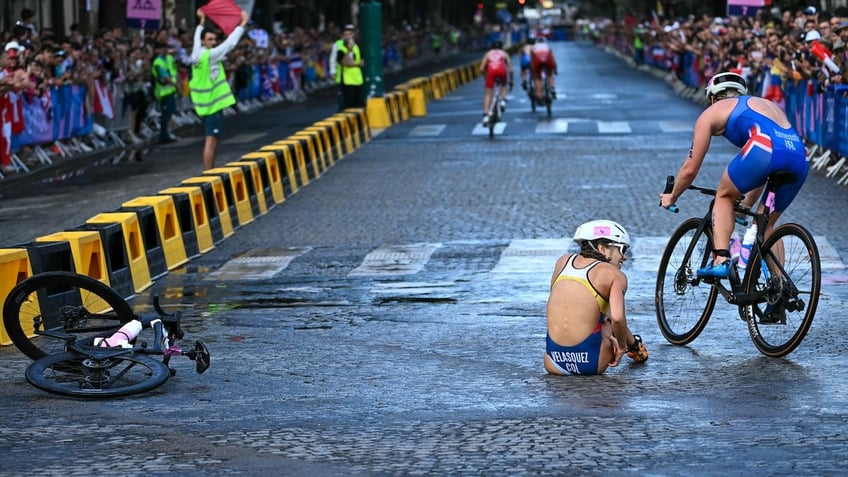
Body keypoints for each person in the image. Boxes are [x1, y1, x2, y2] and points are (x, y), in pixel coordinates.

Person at [660, 72, 809, 279]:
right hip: (799, 155)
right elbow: (765, 172)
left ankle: (721, 259)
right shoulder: (760, 103)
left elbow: (690, 169)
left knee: (723, 196)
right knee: (766, 225)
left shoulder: (710, 113)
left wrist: (672, 196)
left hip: (764, 148)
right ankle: (779, 290)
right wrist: (745, 207)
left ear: (712, 98)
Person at [544, 220, 648, 376]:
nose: (624, 257)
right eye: (622, 249)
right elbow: (617, 319)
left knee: (596, 313)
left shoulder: (562, 261)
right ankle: (634, 347)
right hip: (591, 364)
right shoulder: (614, 275)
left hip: (552, 363)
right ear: (603, 248)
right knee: (607, 322)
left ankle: (634, 345)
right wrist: (621, 348)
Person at [190, 8, 249, 171]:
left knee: (211, 140)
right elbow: (230, 44)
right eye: (210, 40)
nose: (213, 43)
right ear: (204, 42)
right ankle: (208, 173)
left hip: (202, 103)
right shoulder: (210, 55)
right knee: (211, 141)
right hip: (212, 104)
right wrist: (242, 23)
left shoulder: (196, 54)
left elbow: (196, 38)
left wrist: (201, 22)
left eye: (214, 39)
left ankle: (210, 170)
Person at [479, 39, 511, 127]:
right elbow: (510, 70)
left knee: (488, 93)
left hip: (491, 71)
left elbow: (481, 69)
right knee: (504, 85)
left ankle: (485, 116)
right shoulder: (504, 53)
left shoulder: (488, 54)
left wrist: (486, 76)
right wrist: (511, 81)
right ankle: (503, 101)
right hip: (501, 71)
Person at [152, 42, 178, 144]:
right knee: (165, 115)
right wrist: (175, 85)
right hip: (163, 92)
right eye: (163, 48)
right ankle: (164, 135)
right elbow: (164, 76)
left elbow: (174, 71)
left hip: (171, 90)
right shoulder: (158, 62)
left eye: (166, 48)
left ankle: (169, 133)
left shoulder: (170, 58)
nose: (165, 50)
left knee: (170, 113)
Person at [335, 24, 365, 110]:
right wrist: (349, 50)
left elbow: (362, 63)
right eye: (346, 35)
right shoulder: (341, 49)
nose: (348, 37)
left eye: (350, 35)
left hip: (358, 79)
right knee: (349, 104)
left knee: (359, 103)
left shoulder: (357, 47)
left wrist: (352, 64)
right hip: (347, 80)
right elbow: (344, 63)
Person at [530, 36, 557, 101]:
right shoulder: (548, 47)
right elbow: (553, 59)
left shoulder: (533, 47)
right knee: (550, 74)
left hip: (537, 60)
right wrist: (555, 69)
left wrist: (533, 70)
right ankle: (552, 87)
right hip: (547, 60)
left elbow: (532, 60)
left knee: (537, 78)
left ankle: (539, 95)